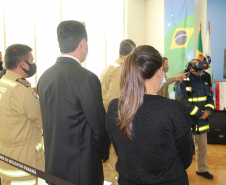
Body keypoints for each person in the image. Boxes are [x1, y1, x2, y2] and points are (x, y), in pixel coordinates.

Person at [107, 45, 193, 185]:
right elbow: (186, 157)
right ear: (160, 72)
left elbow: (119, 149)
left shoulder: (114, 107)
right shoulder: (173, 110)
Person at [37, 20, 110, 185]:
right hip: (82, 169)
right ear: (83, 43)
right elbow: (99, 126)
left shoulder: (45, 77)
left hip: (53, 165)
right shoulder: (86, 78)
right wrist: (104, 153)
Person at [0, 44, 44, 185]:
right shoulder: (21, 90)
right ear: (23, 64)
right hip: (23, 165)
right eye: (32, 60)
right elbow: (41, 119)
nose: (34, 64)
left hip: (6, 160)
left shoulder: (3, 83)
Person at [100, 39, 135, 184]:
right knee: (113, 157)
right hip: (114, 119)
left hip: (107, 117)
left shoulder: (111, 66)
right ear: (131, 53)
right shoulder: (121, 69)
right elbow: (113, 99)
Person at [175, 59, 215, 180]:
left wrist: (208, 111)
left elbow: (209, 99)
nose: (200, 70)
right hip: (188, 122)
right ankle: (178, 172)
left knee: (202, 148)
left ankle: (202, 169)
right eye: (196, 65)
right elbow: (182, 102)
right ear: (190, 67)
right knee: (183, 149)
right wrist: (198, 113)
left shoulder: (203, 82)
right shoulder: (183, 83)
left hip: (202, 122)